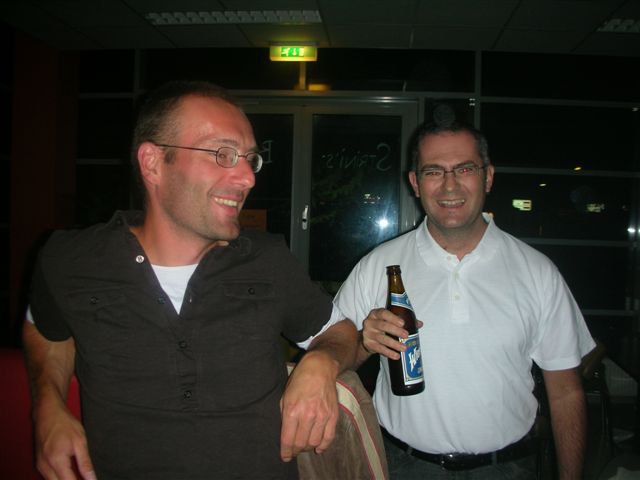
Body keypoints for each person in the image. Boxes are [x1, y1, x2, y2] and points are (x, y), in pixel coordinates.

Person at [23, 80, 357, 480]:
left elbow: (340, 333)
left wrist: (321, 361)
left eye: (250, 159)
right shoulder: (69, 259)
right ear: (152, 163)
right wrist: (48, 405)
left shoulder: (267, 260)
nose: (248, 177)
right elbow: (45, 328)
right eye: (222, 154)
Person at [334, 119, 595, 479]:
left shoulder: (537, 272)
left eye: (465, 169)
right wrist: (365, 340)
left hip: (507, 469)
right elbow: (331, 350)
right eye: (434, 171)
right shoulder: (378, 265)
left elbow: (566, 392)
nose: (449, 185)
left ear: (488, 177)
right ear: (415, 183)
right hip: (403, 466)